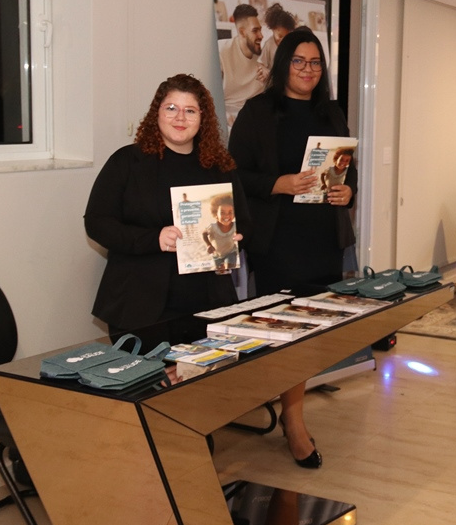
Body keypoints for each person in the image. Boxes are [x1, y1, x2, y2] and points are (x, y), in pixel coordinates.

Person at [229, 27, 356, 470]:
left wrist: (348, 193)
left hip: (324, 239)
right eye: (299, 61)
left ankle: (290, 410)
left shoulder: (331, 112)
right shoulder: (258, 111)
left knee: (314, 332)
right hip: (278, 241)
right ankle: (295, 424)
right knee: (288, 334)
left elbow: (346, 170)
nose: (308, 69)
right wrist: (278, 184)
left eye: (315, 62)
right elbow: (234, 175)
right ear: (283, 64)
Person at [85, 73, 250, 344]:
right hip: (140, 306)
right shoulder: (127, 162)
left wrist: (233, 241)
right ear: (157, 113)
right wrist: (155, 238)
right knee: (148, 373)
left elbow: (244, 222)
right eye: (171, 108)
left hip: (207, 303)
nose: (180, 118)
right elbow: (97, 223)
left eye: (190, 110)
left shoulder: (220, 167)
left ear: (203, 118)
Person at [218, 4, 266, 126]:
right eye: (255, 31)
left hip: (255, 117)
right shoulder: (221, 52)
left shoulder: (262, 56)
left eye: (260, 30)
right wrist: (225, 116)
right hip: (227, 119)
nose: (261, 35)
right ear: (242, 32)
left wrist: (269, 78)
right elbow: (207, 95)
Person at [202, 194, 239, 273]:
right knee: (220, 272)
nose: (226, 215)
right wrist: (208, 245)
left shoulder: (235, 225)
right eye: (222, 213)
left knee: (230, 269)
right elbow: (204, 234)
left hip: (231, 252)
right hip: (217, 255)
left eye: (230, 212)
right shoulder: (213, 227)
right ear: (216, 214)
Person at [258, 3, 297, 73]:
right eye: (280, 36)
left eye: (286, 37)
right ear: (273, 29)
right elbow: (260, 63)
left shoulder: (290, 45)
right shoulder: (269, 44)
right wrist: (265, 71)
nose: (283, 40)